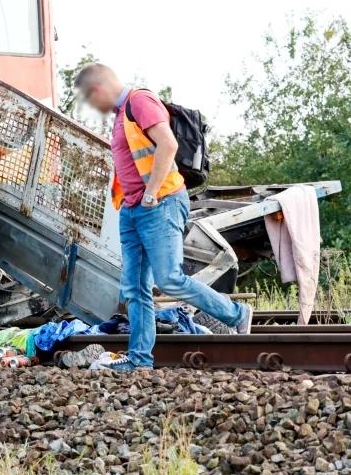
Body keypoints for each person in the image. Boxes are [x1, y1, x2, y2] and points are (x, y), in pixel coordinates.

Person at [74, 63, 252, 372]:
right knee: (134, 289)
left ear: (98, 90)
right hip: (132, 210)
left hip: (160, 203)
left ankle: (237, 314)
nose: (93, 108)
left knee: (169, 278)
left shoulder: (139, 102)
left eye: (90, 101)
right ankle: (140, 361)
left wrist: (150, 192)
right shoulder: (119, 116)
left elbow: (168, 144)